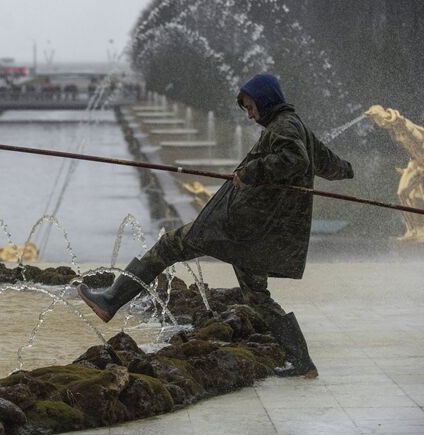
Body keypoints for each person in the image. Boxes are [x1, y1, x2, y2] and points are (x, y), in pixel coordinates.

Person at [77, 73, 354, 378]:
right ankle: (302, 362)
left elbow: (296, 160)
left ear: (265, 100)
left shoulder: (284, 127)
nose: (249, 114)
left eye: (251, 106)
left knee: (171, 244)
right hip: (255, 230)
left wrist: (251, 171)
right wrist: (348, 170)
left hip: (239, 225)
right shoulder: (294, 124)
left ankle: (112, 300)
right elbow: (325, 162)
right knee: (257, 296)